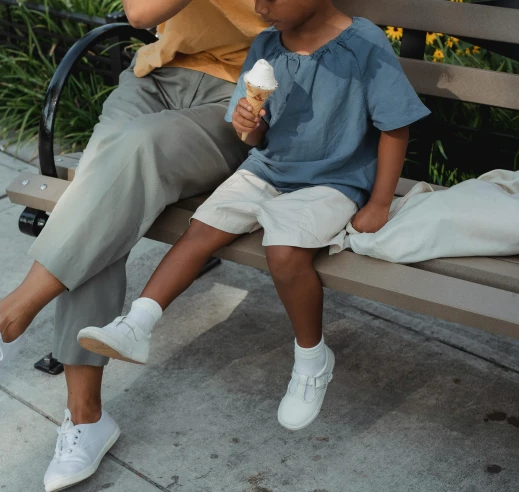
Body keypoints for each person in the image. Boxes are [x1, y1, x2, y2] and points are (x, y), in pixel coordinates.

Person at [0, 0, 267, 492]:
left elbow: (285, 19)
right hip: (155, 78)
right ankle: (85, 418)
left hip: (241, 100)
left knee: (130, 155)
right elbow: (141, 13)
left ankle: (8, 318)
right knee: (103, 196)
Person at [77, 0, 430, 431]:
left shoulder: (363, 44)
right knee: (202, 229)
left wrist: (378, 202)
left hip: (333, 180)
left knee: (283, 252)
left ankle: (312, 359)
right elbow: (253, 134)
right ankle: (138, 324)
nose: (260, 8)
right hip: (268, 168)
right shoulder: (266, 44)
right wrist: (249, 122)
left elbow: (396, 125)